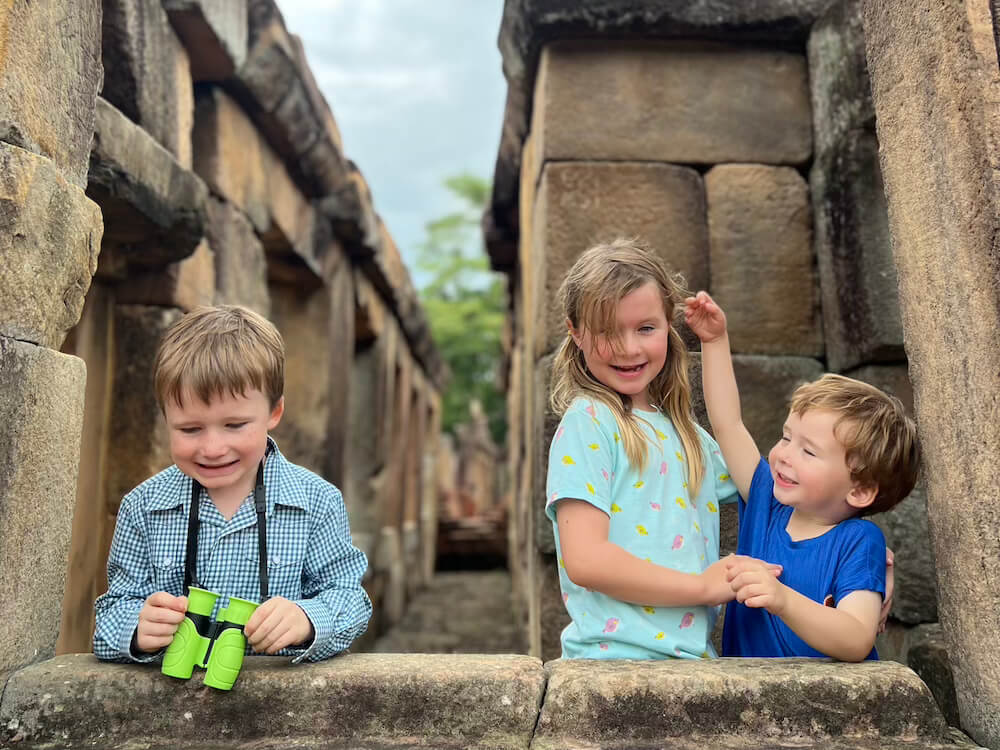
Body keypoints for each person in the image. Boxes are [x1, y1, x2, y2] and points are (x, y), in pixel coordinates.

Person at [94, 305, 371, 664]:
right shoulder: (142, 507)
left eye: (235, 425)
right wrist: (137, 629)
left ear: (274, 412)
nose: (213, 448)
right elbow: (111, 612)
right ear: (165, 418)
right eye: (190, 429)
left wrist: (307, 619)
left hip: (280, 696)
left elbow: (350, 598)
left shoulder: (318, 502)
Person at [544, 238, 778, 660]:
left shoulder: (687, 435)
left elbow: (767, 494)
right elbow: (586, 560)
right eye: (607, 331)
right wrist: (702, 587)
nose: (629, 348)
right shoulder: (588, 423)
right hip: (613, 663)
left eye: (646, 328)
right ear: (575, 332)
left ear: (669, 325)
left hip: (692, 664)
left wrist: (850, 558)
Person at [684, 291, 919, 661]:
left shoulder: (860, 542)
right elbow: (728, 424)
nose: (784, 455)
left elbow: (857, 638)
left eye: (808, 451)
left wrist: (782, 599)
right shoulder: (766, 500)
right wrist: (714, 341)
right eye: (785, 437)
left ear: (859, 490)